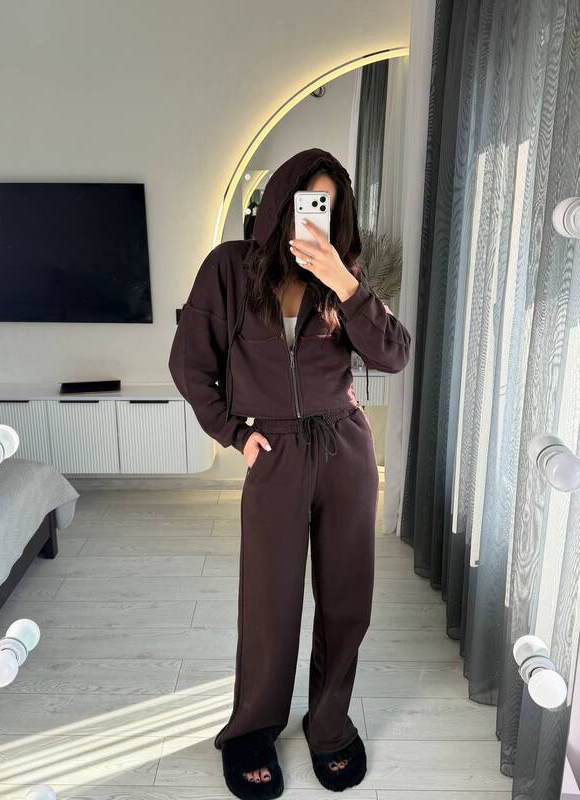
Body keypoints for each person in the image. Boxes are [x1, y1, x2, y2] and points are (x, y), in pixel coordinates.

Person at [168, 148, 411, 799]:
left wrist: (346, 283)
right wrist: (234, 433)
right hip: (273, 451)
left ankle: (329, 723)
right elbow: (190, 364)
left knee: (347, 598)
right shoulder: (228, 269)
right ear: (281, 200)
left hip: (344, 447)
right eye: (308, 201)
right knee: (269, 601)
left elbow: (394, 356)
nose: (316, 217)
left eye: (328, 206)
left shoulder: (345, 276)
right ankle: (252, 729)